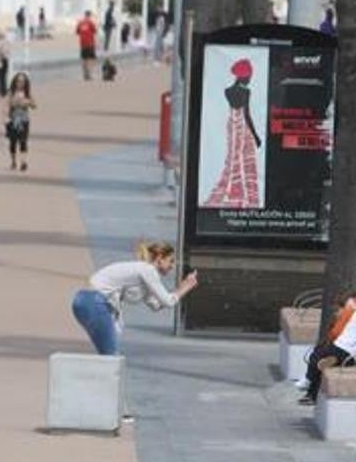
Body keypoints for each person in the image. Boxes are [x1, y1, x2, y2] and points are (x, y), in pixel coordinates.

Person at [71, 243, 199, 356]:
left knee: (107, 354)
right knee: (110, 356)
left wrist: (181, 289)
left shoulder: (144, 275)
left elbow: (156, 305)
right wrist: (185, 287)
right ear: (159, 259)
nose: (173, 266)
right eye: (171, 261)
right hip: (95, 301)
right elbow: (168, 302)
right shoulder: (148, 270)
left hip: (83, 300)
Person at [202, 59, 262, 208]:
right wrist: (256, 136)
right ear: (243, 76)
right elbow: (247, 116)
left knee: (233, 157)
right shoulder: (245, 92)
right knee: (243, 159)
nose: (249, 79)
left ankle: (230, 192)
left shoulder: (227, 91)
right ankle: (241, 195)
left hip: (232, 125)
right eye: (249, 76)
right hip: (242, 126)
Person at [299, 293, 356, 406]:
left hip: (350, 353)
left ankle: (310, 390)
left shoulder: (350, 316)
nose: (335, 314)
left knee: (320, 357)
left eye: (338, 310)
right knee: (319, 358)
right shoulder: (347, 319)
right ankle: (311, 390)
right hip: (343, 348)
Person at [4, 72, 35, 172]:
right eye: (18, 81)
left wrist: (28, 102)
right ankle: (13, 161)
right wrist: (5, 118)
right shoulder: (11, 92)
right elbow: (6, 105)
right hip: (12, 120)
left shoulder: (27, 93)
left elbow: (35, 105)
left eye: (22, 81)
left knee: (23, 141)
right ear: (15, 82)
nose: (20, 83)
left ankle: (23, 162)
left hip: (24, 120)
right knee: (13, 142)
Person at [76, 10, 98, 81]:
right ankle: (89, 75)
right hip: (90, 43)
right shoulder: (91, 23)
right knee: (91, 59)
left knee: (84, 59)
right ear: (90, 15)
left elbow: (77, 32)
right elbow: (95, 31)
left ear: (85, 15)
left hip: (82, 43)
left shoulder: (80, 23)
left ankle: (85, 74)